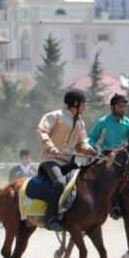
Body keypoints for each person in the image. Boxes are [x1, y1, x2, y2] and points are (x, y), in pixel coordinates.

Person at [36, 88, 97, 231]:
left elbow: (82, 144)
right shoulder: (55, 116)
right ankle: (50, 218)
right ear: (76, 103)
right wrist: (50, 147)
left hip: (68, 162)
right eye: (83, 103)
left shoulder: (80, 123)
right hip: (51, 159)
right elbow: (41, 131)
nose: (85, 106)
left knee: (85, 184)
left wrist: (89, 150)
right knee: (59, 183)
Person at [88, 93, 129, 219]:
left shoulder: (128, 123)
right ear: (113, 107)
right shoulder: (103, 122)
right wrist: (91, 148)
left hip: (124, 158)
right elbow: (91, 137)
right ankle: (108, 205)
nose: (123, 109)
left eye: (124, 106)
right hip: (107, 157)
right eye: (120, 106)